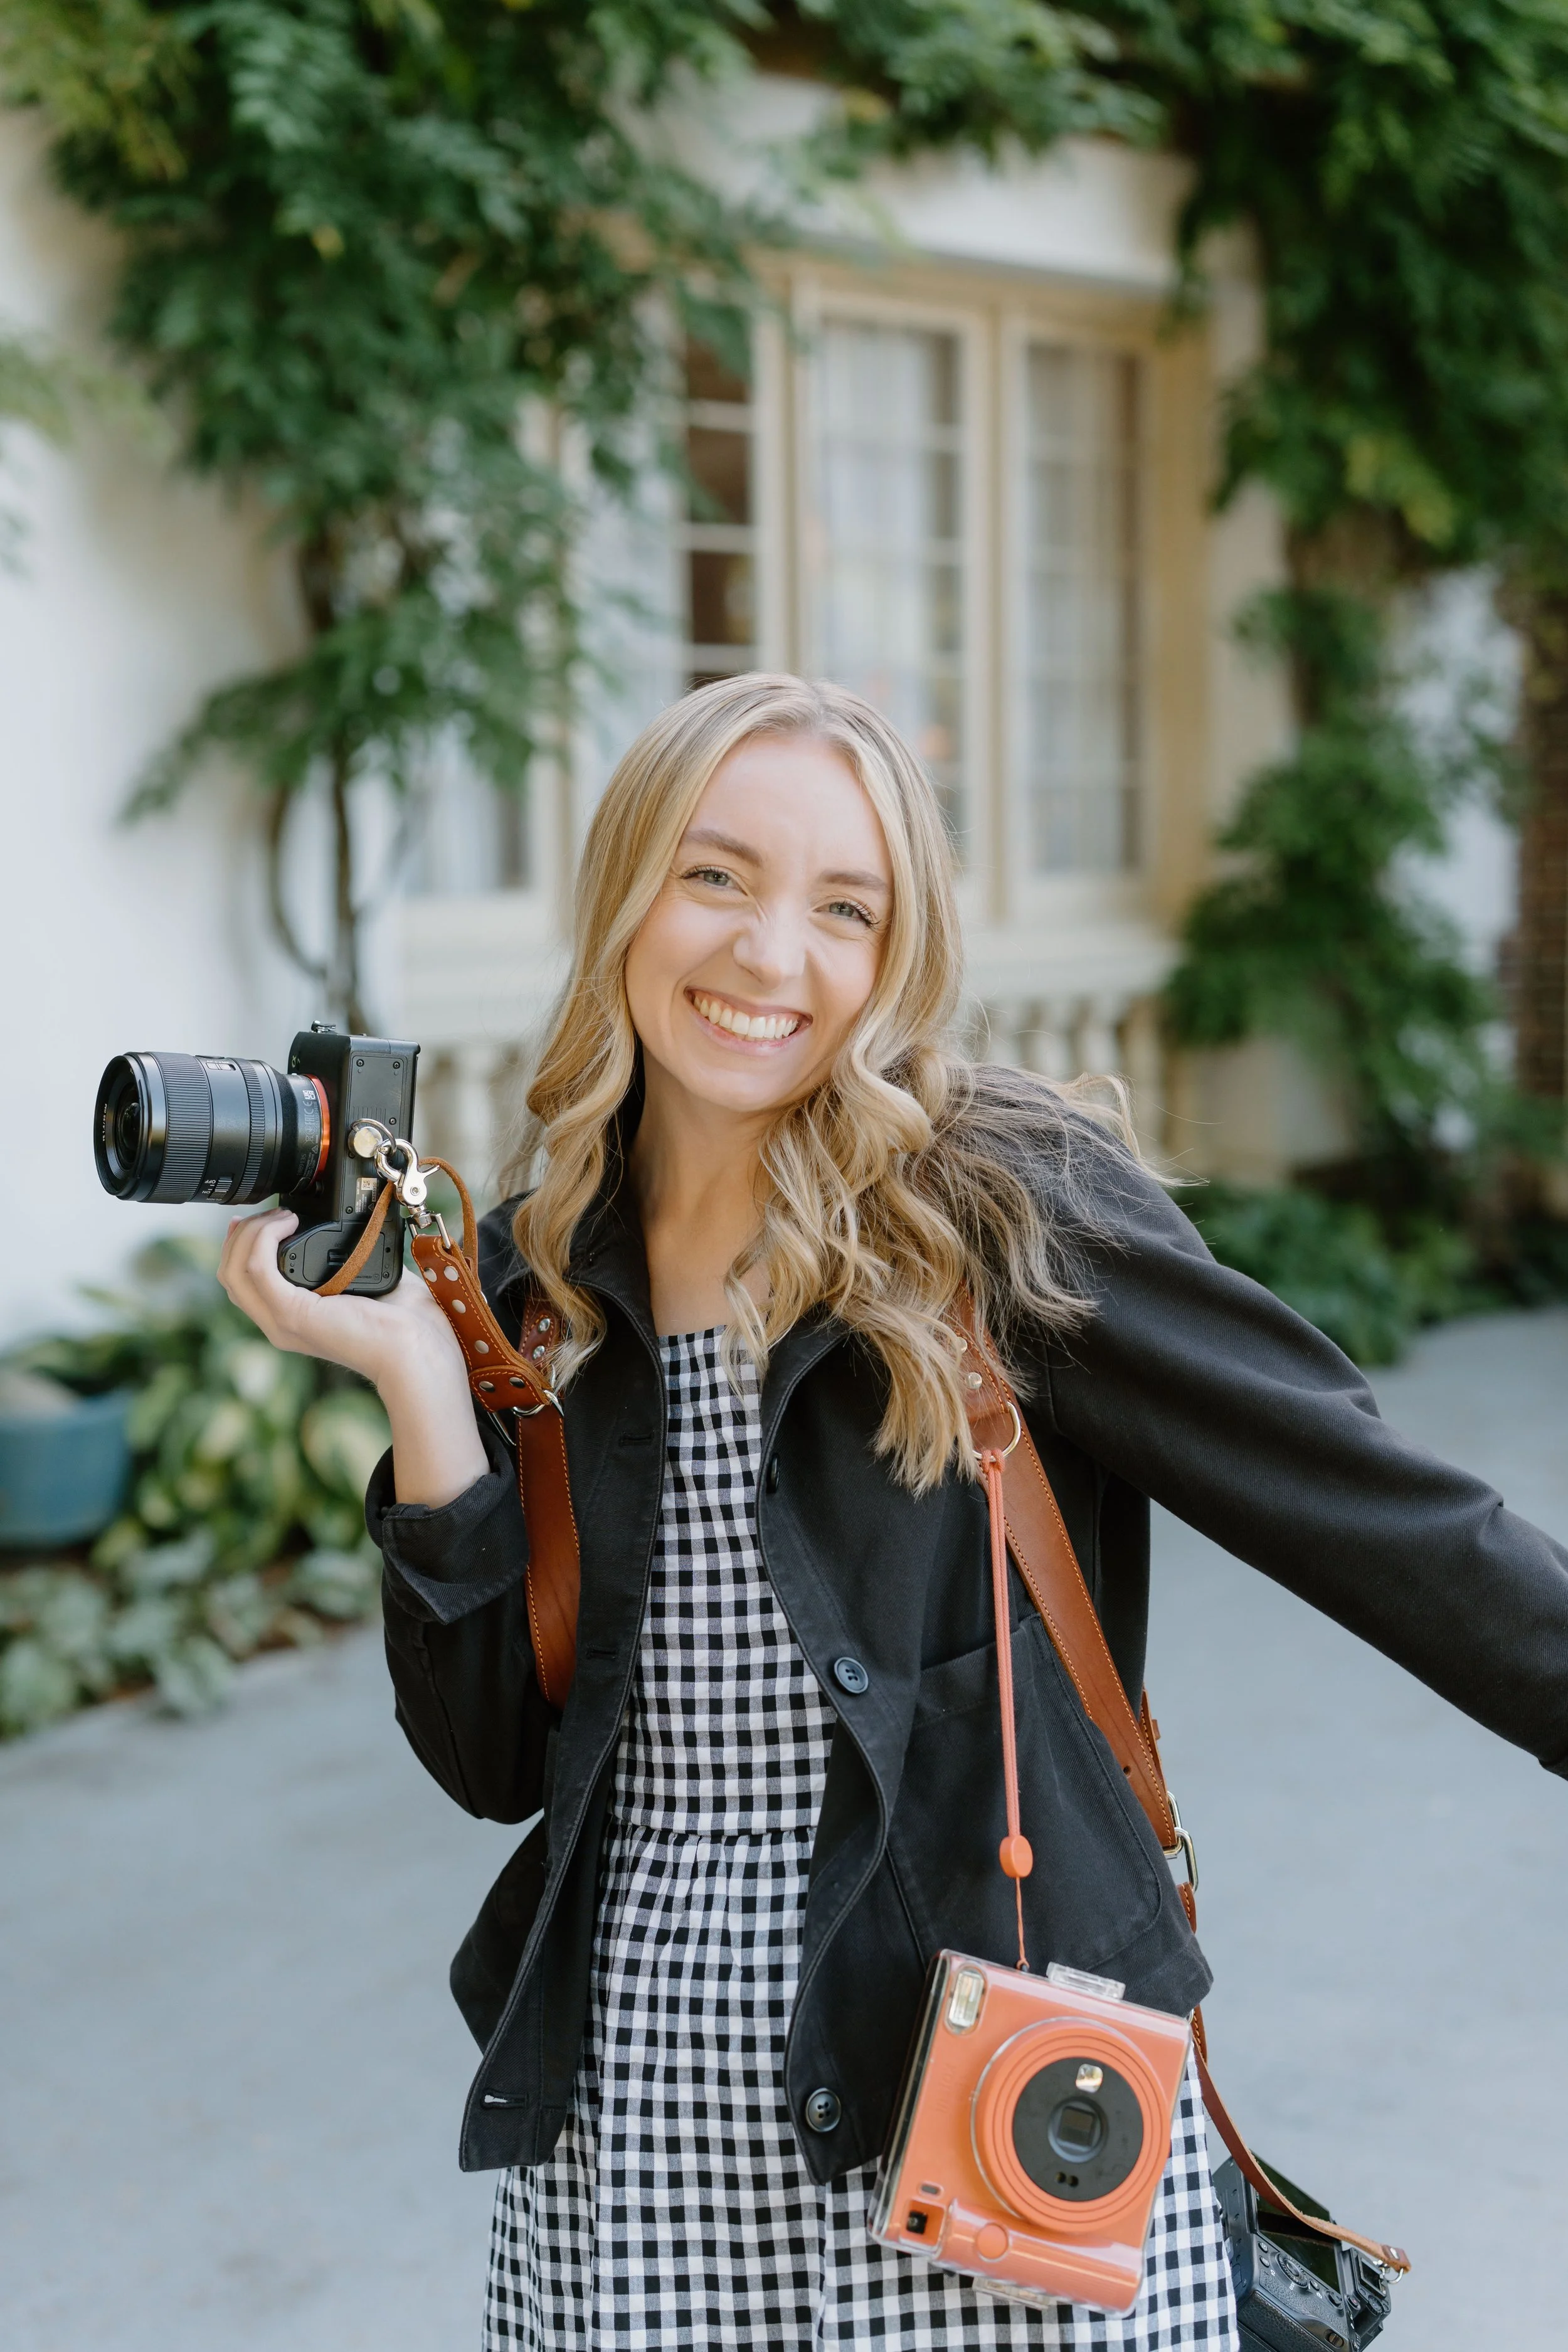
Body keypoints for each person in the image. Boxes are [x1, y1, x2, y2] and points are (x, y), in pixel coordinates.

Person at [219, 673, 1568, 2351]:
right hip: (642, 2112)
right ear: (625, 890)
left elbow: (1379, 1511)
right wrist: (422, 1385)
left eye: (840, 907)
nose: (768, 956)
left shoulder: (989, 1209)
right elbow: (497, 1757)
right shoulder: (535, 1276)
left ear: (896, 951)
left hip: (972, 2096)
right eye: (714, 876)